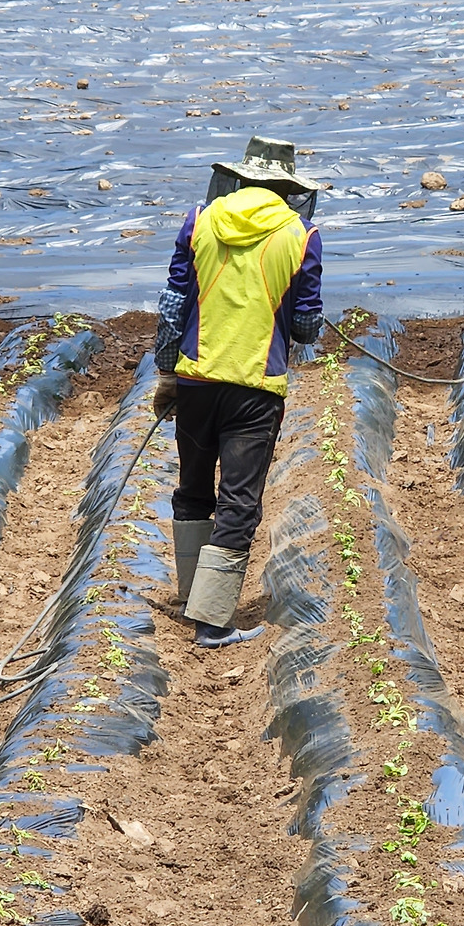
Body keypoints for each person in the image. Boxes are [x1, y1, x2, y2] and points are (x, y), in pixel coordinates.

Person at [153, 136, 325, 647]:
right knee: (239, 504)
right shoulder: (301, 236)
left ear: (239, 177)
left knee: (193, 488)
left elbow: (172, 302)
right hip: (255, 387)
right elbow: (306, 325)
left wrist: (167, 374)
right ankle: (212, 620)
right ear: (287, 187)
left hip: (196, 379)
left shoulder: (199, 220)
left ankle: (193, 597)